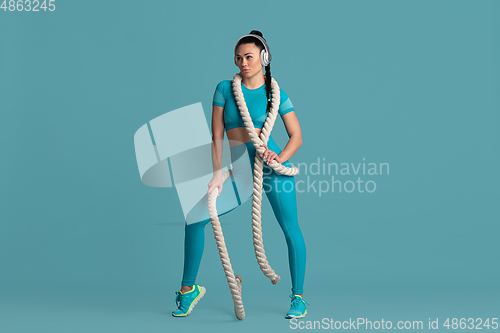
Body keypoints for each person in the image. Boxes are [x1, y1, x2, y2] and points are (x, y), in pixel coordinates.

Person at [172, 30, 308, 319]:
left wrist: (279, 157)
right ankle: (188, 289)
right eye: (238, 57)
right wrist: (218, 173)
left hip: (269, 168)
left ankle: (298, 297)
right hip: (236, 170)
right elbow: (216, 137)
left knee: (291, 230)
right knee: (194, 219)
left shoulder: (276, 94)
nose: (243, 62)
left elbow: (296, 136)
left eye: (249, 56)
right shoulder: (224, 88)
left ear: (264, 58)